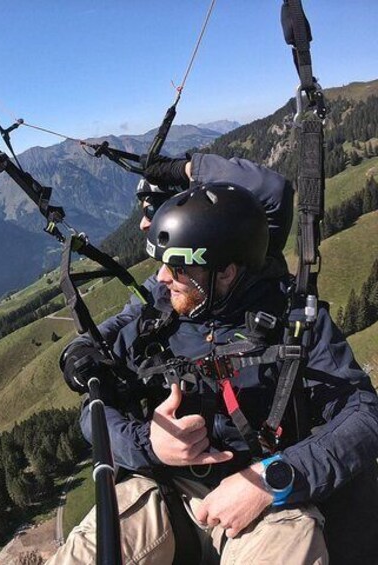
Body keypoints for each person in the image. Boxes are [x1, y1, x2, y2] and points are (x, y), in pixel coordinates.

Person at [50, 184, 378, 564]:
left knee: (292, 542)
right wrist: (146, 443)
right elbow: (94, 411)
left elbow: (364, 415)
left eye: (177, 267)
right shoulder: (156, 315)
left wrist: (273, 480)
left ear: (225, 271)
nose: (161, 278)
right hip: (167, 493)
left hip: (265, 507)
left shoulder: (295, 324)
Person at [98, 153, 293, 345]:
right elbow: (132, 314)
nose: (142, 224)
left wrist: (185, 169)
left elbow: (275, 190)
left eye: (151, 211)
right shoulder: (172, 281)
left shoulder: (253, 244)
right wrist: (89, 343)